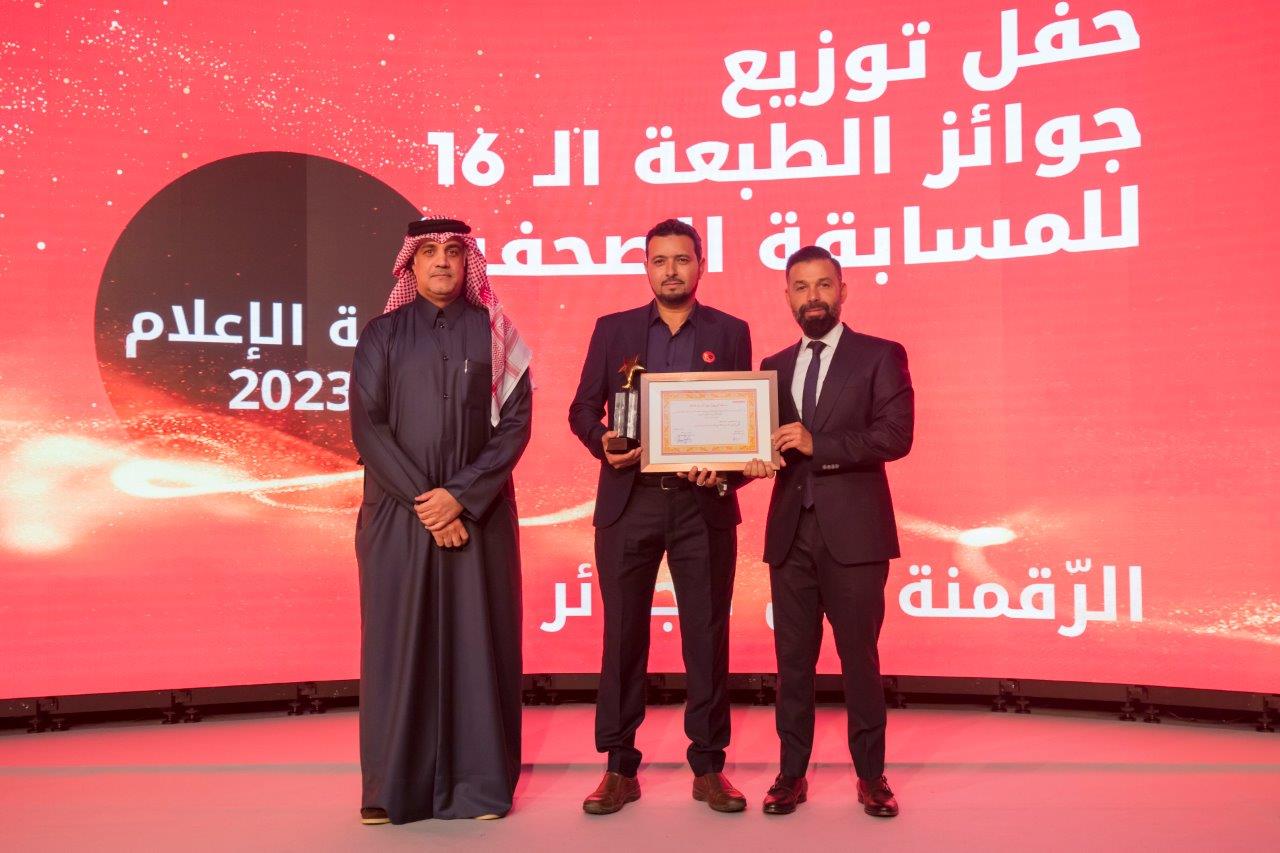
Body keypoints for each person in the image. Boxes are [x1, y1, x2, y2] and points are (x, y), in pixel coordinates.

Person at [349, 216, 533, 824]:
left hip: (478, 517)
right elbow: (368, 426)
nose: (442, 262)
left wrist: (459, 497)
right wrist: (428, 503)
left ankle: (480, 788)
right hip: (398, 518)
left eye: (454, 251)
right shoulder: (381, 334)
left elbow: (515, 427)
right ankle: (392, 791)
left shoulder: (497, 332)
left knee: (479, 646)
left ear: (467, 261)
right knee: (398, 647)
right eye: (429, 251)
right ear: (410, 263)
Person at [568, 218, 752, 814]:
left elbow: (739, 415)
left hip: (703, 503)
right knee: (622, 635)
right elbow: (581, 408)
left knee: (707, 634)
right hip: (630, 499)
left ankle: (709, 766)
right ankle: (619, 767)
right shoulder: (614, 329)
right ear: (646, 267)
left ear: (701, 265)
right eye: (659, 260)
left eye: (682, 259)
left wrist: (728, 465)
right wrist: (601, 441)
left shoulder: (730, 332)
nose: (671, 270)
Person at [744, 245, 913, 818]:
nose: (812, 297)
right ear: (787, 296)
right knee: (792, 663)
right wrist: (733, 467)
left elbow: (895, 436)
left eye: (822, 285)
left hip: (856, 537)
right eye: (800, 287)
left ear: (842, 291)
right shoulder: (772, 366)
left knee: (859, 660)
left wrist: (821, 446)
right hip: (790, 535)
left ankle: (871, 776)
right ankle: (791, 775)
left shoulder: (880, 355)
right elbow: (761, 447)